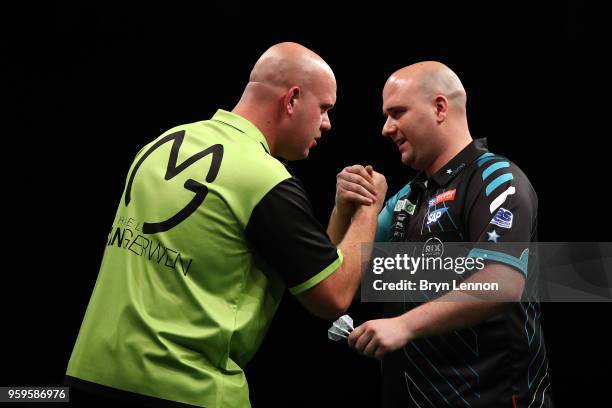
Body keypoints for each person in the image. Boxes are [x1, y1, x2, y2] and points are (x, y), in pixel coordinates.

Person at [65, 42, 387, 407]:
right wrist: (368, 207)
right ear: (292, 99)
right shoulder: (265, 180)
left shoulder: (159, 144)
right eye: (324, 108)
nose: (327, 123)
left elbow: (305, 272)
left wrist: (341, 212)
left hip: (90, 374)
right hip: (186, 388)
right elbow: (332, 297)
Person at [334, 61, 553, 407]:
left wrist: (403, 326)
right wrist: (346, 209)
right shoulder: (406, 198)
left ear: (439, 108)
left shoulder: (496, 178)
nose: (386, 128)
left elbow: (502, 282)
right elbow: (336, 279)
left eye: (397, 112)